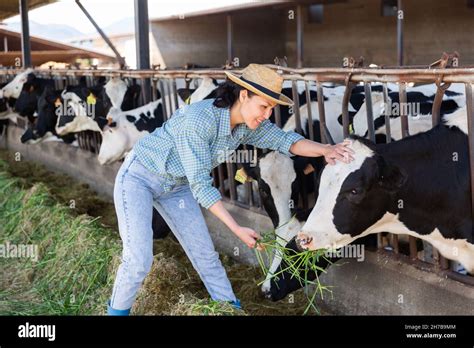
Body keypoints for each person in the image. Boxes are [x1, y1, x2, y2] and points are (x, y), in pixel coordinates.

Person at [107, 63, 354, 315]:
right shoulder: (200, 120)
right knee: (138, 261)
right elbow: (202, 186)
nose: (267, 114)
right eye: (264, 106)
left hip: (178, 188)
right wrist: (237, 228)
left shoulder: (247, 126)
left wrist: (326, 150)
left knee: (206, 256)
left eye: (271, 108)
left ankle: (230, 310)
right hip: (140, 177)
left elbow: (285, 140)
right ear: (244, 95)